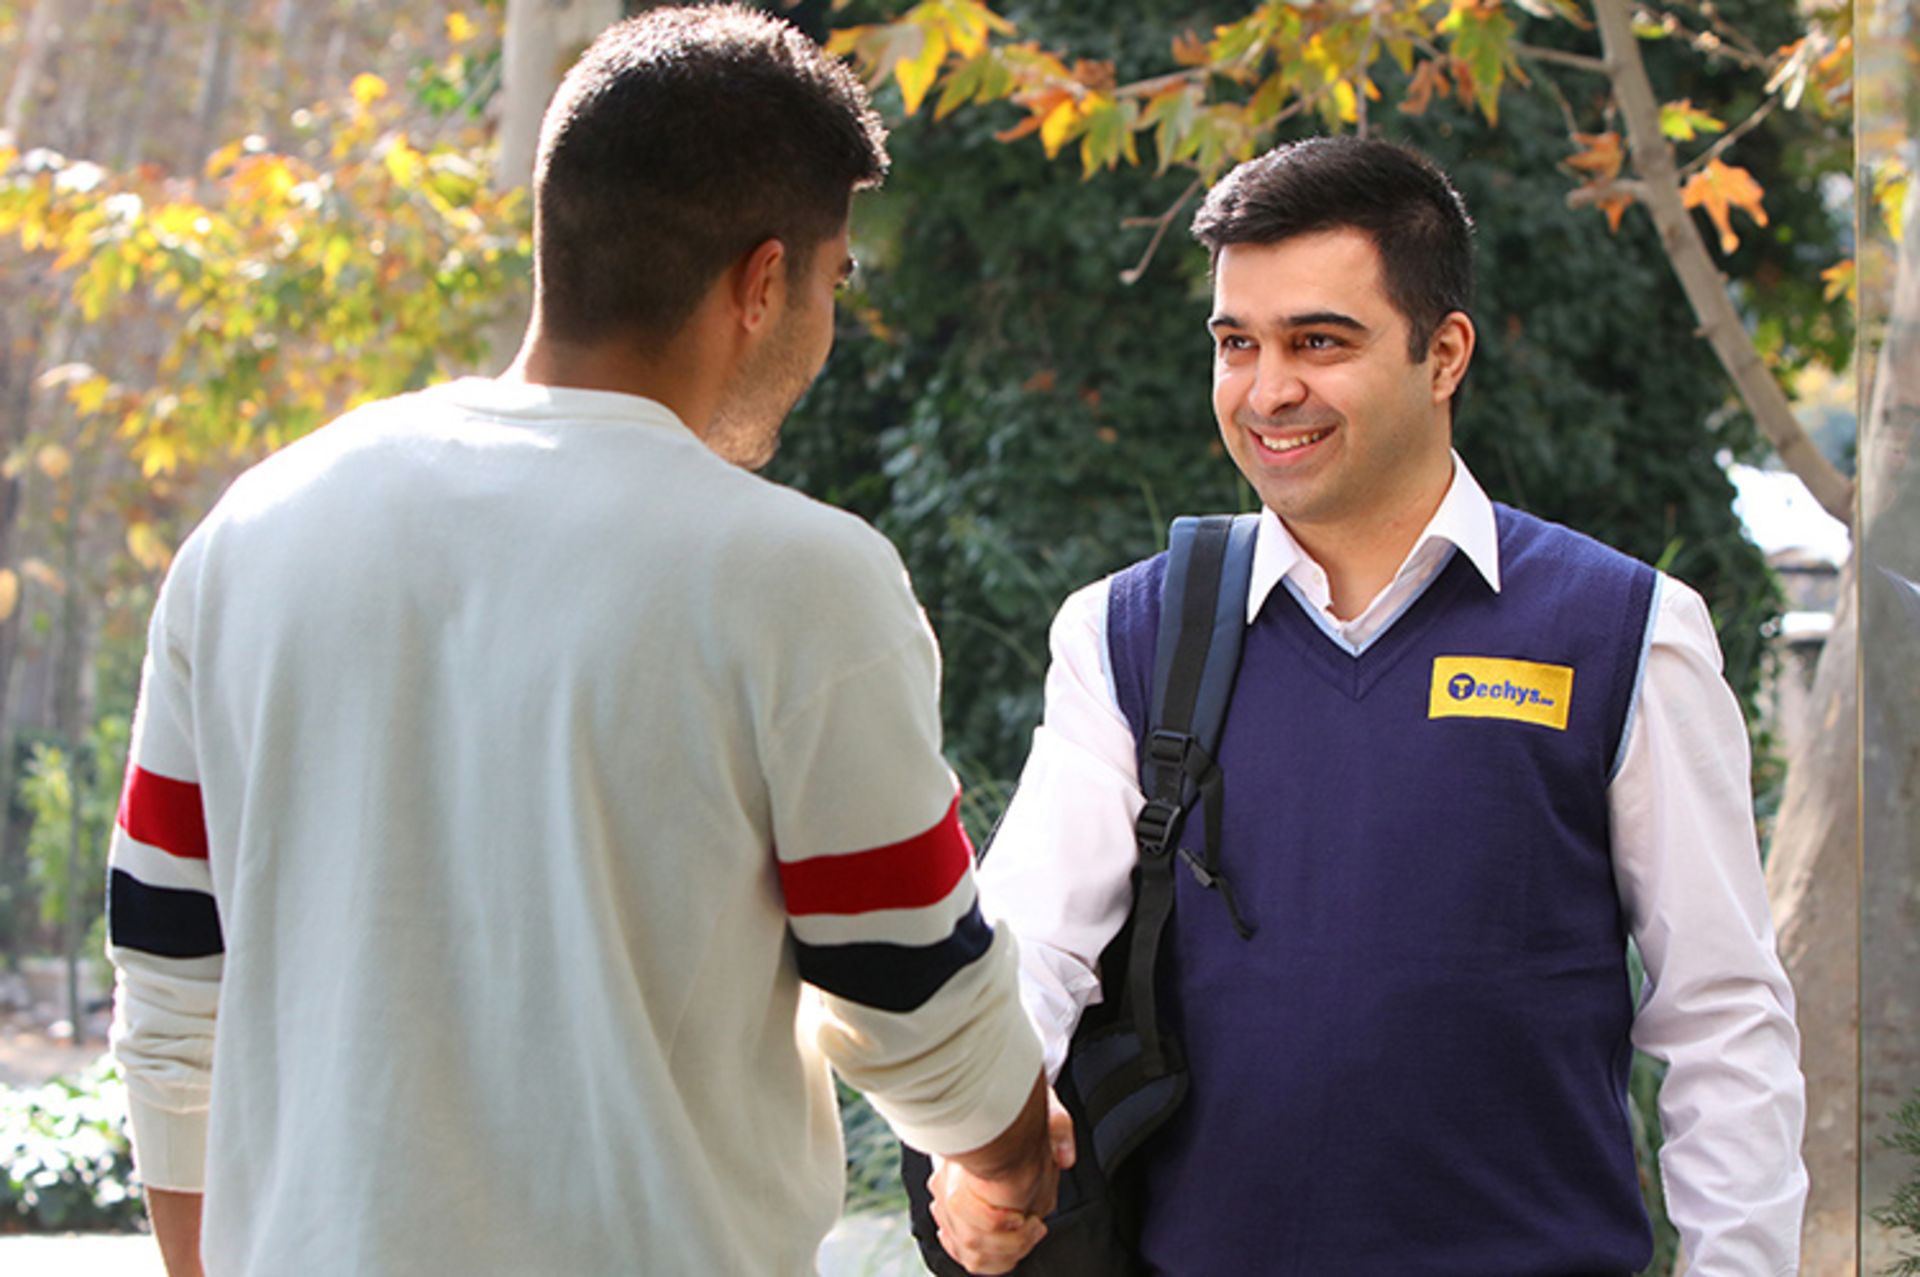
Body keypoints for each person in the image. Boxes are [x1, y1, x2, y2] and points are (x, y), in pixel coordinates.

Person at [105, 8, 1067, 1275]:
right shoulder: (799, 582)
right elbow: (915, 992)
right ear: (762, 282)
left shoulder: (252, 533)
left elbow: (172, 983)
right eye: (833, 282)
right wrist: (1014, 1157)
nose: (827, 325)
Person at [936, 137, 1808, 1275]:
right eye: (1237, 344)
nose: (1267, 390)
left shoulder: (1625, 631)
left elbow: (1722, 1014)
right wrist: (980, 1145)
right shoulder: (1127, 632)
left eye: (1319, 341)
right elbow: (1032, 948)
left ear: (1443, 353)